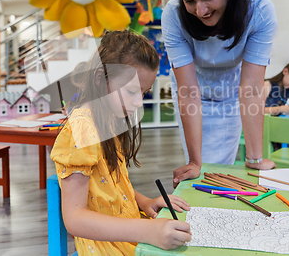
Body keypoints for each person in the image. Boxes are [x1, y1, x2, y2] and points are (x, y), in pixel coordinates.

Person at [50, 30, 192, 255]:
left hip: (126, 234)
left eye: (144, 93)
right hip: (106, 248)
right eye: (132, 91)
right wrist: (148, 230)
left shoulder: (109, 119)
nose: (138, 102)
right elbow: (75, 219)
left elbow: (113, 185)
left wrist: (145, 202)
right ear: (100, 78)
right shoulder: (81, 129)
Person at [162, 0, 278, 185]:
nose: (200, 11)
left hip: (231, 89)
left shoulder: (259, 10)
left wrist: (255, 159)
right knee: (200, 168)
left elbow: (251, 88)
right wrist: (194, 162)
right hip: (192, 88)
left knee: (220, 169)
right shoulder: (173, 14)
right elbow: (188, 91)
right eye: (189, 0)